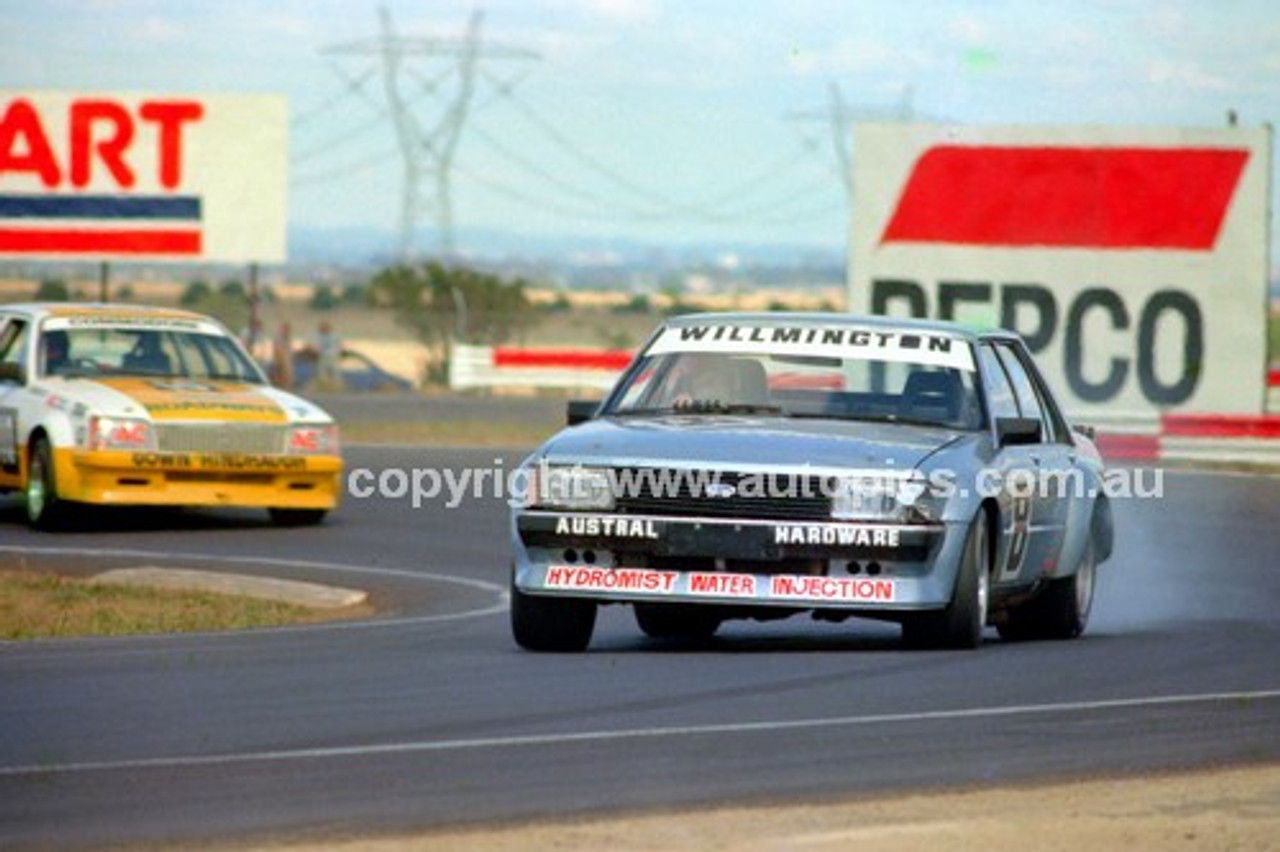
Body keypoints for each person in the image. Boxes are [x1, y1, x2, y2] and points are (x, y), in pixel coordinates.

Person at [315, 320, 341, 392]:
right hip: (323, 357)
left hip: (332, 356)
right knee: (322, 373)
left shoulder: (334, 336)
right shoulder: (319, 336)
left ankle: (335, 387)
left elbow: (339, 345)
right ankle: (324, 387)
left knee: (334, 372)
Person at [270, 322, 294, 388]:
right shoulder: (278, 336)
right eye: (285, 329)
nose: (286, 331)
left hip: (284, 358)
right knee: (278, 372)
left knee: (286, 372)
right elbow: (277, 348)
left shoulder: (287, 337)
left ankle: (285, 385)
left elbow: (288, 348)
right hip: (279, 358)